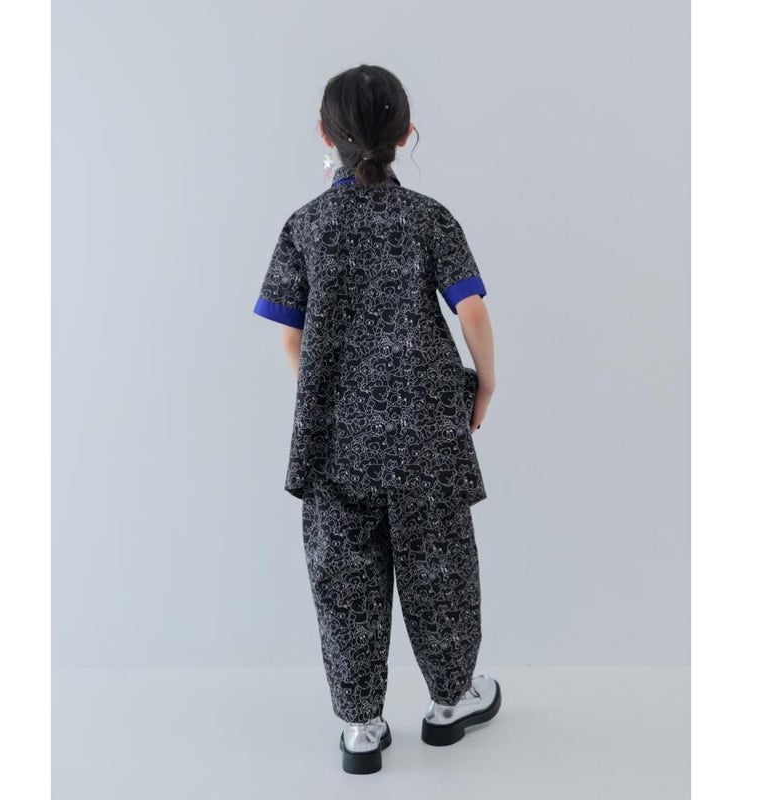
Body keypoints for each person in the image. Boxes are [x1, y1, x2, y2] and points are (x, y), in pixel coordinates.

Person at [252, 64, 501, 774]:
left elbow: (291, 337)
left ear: (324, 135)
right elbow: (472, 309)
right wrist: (485, 384)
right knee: (440, 565)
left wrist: (330, 398)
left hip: (336, 440)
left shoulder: (305, 224)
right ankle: (451, 701)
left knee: (345, 575)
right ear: (406, 134)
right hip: (427, 428)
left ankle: (361, 726)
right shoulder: (428, 217)